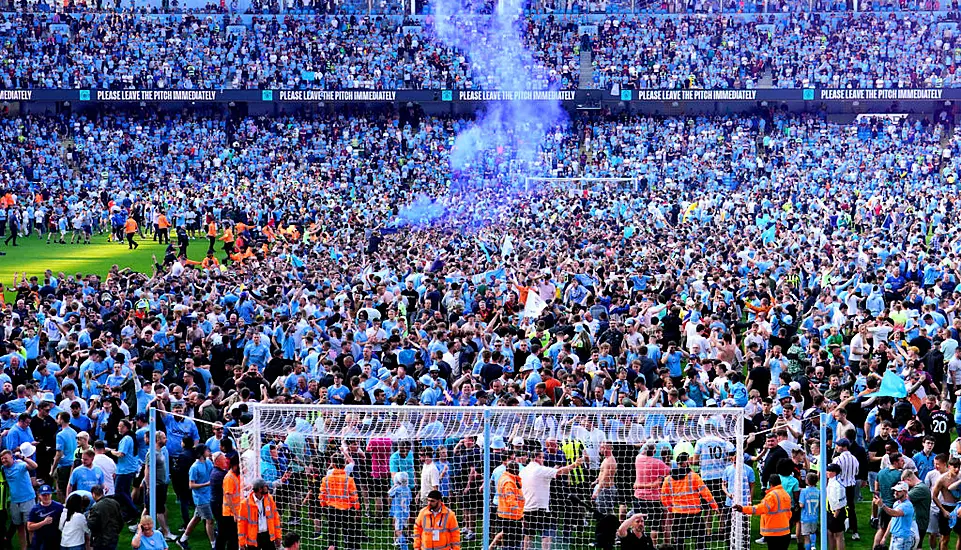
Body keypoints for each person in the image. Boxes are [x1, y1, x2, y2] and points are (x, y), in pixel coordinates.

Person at [659, 452, 718, 547]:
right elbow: (705, 492)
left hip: (678, 512)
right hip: (694, 511)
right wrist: (714, 506)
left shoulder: (668, 479)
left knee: (679, 538)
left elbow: (664, 496)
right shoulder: (694, 476)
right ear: (685, 463)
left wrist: (670, 508)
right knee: (700, 536)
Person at [734, 474, 793, 550]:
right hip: (785, 531)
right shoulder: (786, 494)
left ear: (770, 483)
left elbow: (760, 508)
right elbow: (789, 513)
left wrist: (743, 509)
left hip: (774, 533)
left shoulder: (771, 496)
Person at [318, 453, 360, 550]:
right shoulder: (349, 480)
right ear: (344, 464)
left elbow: (322, 494)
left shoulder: (326, 479)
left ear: (333, 464)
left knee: (332, 530)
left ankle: (332, 547)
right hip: (347, 510)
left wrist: (323, 505)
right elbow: (354, 496)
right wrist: (357, 508)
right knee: (348, 530)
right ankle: (350, 547)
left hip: (332, 509)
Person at [178, 444, 215, 550]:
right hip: (201, 498)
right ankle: (214, 544)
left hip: (208, 495)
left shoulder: (208, 462)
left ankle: (182, 540)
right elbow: (191, 485)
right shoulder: (194, 468)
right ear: (202, 453)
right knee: (210, 520)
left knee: (196, 519)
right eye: (207, 450)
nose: (209, 452)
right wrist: (206, 484)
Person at [1, 448, 38, 550]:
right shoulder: (3, 469)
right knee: (19, 527)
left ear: (12, 457)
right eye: (2, 459)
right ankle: (23, 548)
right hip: (14, 501)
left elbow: (34, 466)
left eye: (5, 458)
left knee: (30, 527)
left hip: (27, 499)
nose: (4, 461)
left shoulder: (20, 465)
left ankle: (33, 547)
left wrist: (22, 457)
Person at [237, 478, 282, 550]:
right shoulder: (245, 504)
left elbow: (276, 518)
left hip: (268, 535)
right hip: (254, 538)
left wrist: (278, 536)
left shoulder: (269, 499)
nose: (267, 488)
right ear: (260, 489)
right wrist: (241, 542)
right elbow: (241, 524)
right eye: (265, 487)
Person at [873, 481, 916, 550]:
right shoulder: (896, 503)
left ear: (905, 492)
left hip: (902, 539)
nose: (895, 492)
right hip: (894, 537)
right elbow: (892, 520)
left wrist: (882, 505)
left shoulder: (907, 506)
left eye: (898, 491)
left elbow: (894, 513)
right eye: (895, 490)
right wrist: (884, 537)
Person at [26, 484, 63, 550]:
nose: (46, 497)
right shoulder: (35, 509)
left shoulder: (59, 507)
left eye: (48, 494)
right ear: (39, 496)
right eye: (44, 495)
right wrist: (43, 522)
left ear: (51, 495)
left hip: (55, 539)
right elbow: (29, 527)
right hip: (40, 540)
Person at [88, 484, 123, 550]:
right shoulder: (114, 502)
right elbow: (120, 520)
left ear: (93, 494)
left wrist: (88, 519)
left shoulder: (95, 507)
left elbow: (92, 525)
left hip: (101, 540)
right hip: (113, 536)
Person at [219, 454, 242, 550]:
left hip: (234, 512)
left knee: (229, 537)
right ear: (235, 465)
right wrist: (235, 513)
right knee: (231, 538)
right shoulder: (229, 478)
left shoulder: (236, 476)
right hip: (230, 514)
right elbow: (228, 497)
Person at [825, 463, 847, 550]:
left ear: (834, 472)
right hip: (830, 511)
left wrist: (835, 515)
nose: (827, 472)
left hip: (836, 512)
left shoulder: (838, 485)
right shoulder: (831, 481)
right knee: (830, 533)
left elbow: (839, 502)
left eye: (829, 471)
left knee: (838, 535)